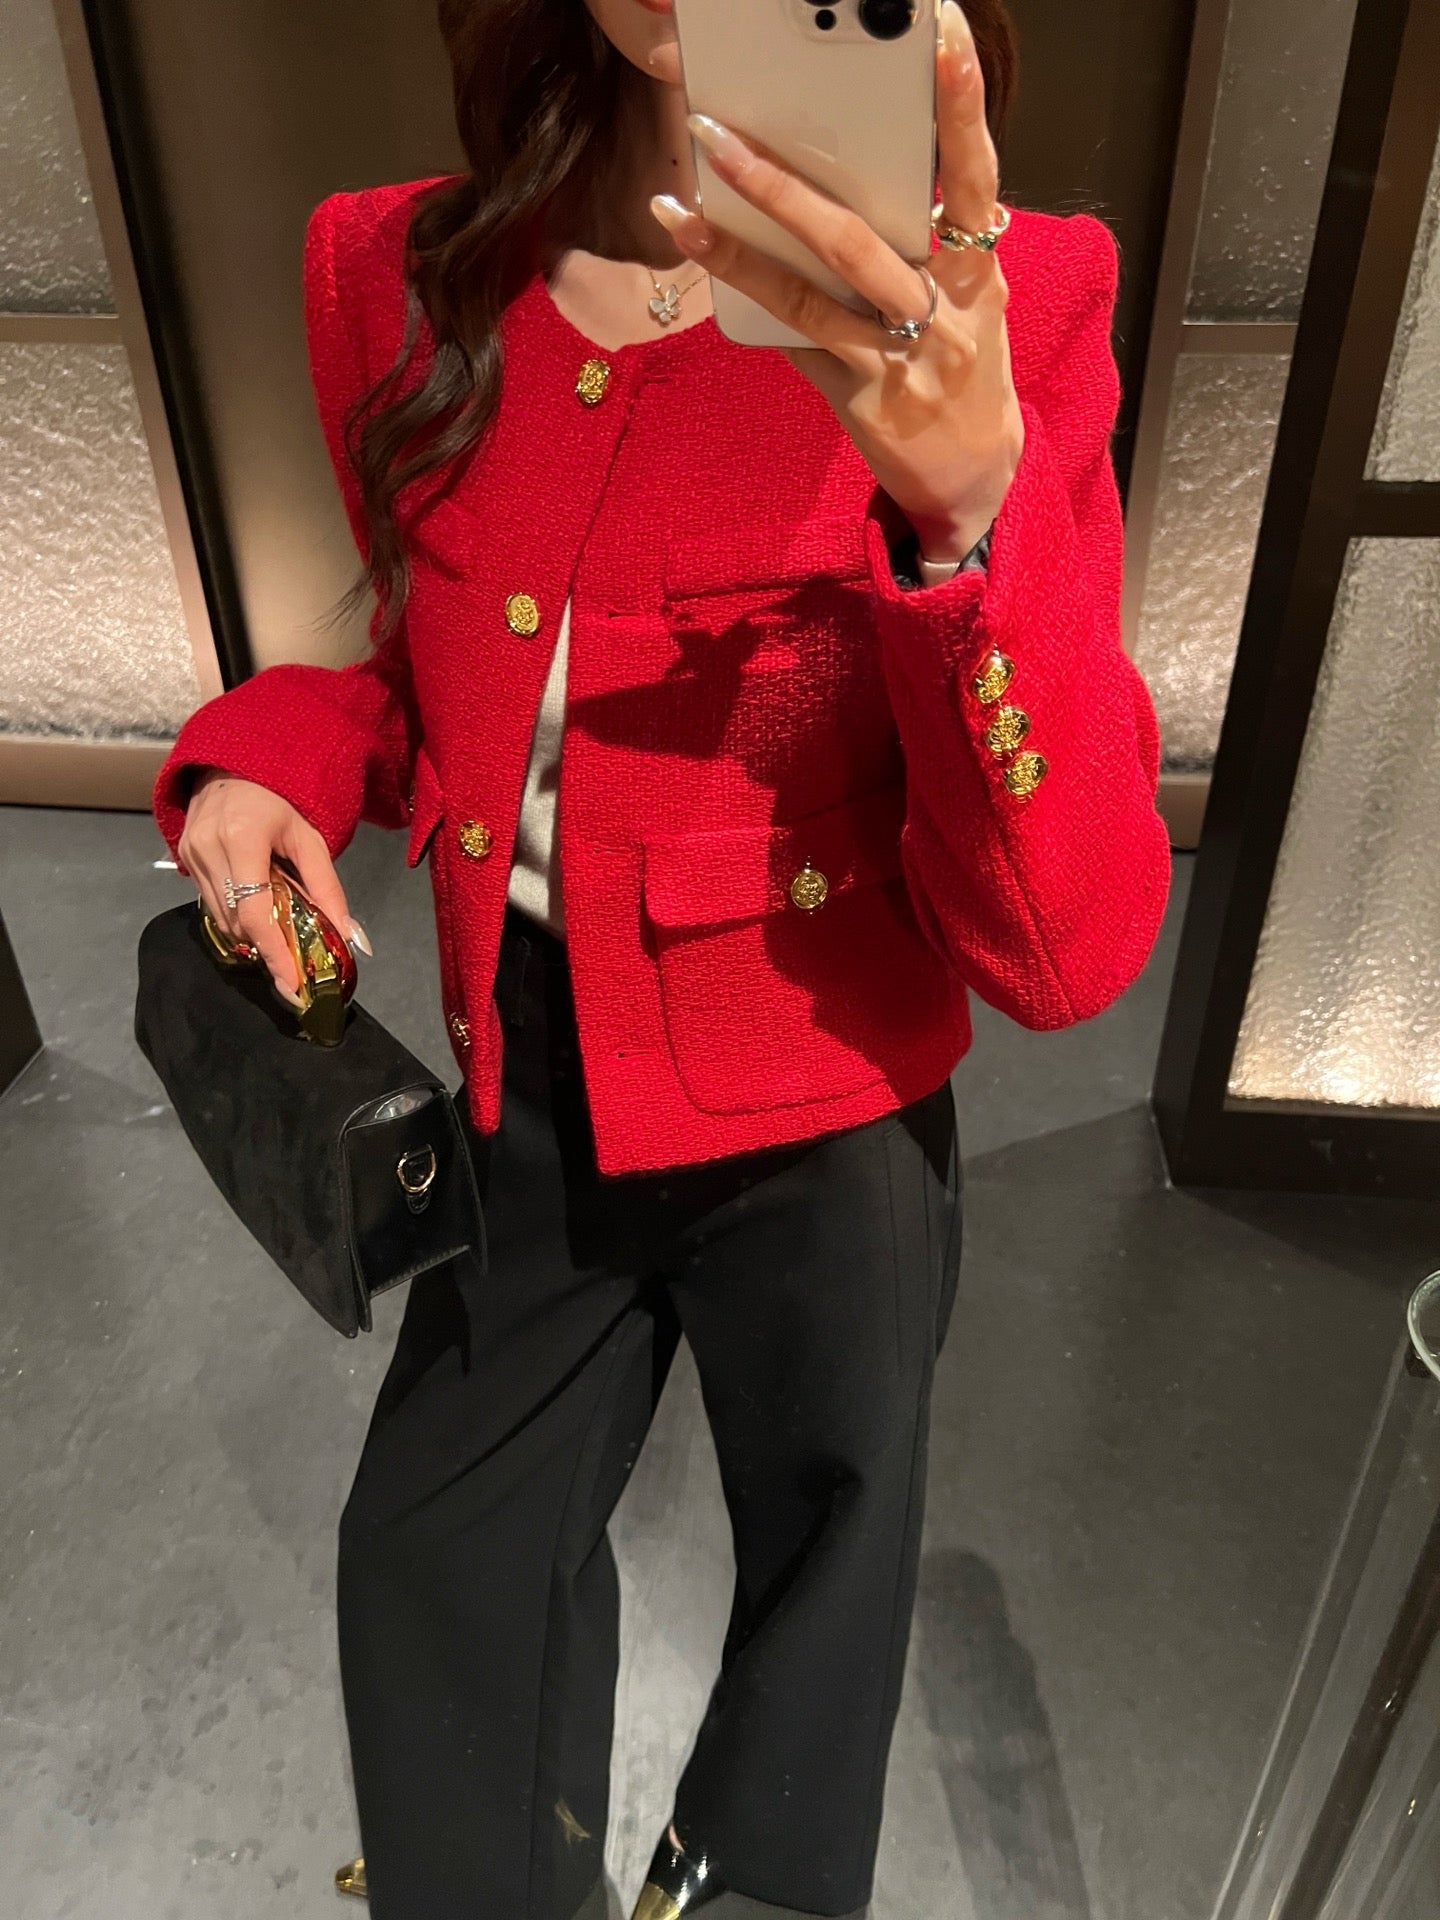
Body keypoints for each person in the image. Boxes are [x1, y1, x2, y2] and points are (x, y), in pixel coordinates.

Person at [153, 1, 1170, 1915]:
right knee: (430, 1565)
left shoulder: (1002, 309)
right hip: (528, 1069)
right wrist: (272, 755)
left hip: (831, 1104)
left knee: (824, 1611)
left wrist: (967, 515)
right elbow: (441, 670)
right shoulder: (402, 269)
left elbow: (1067, 946)